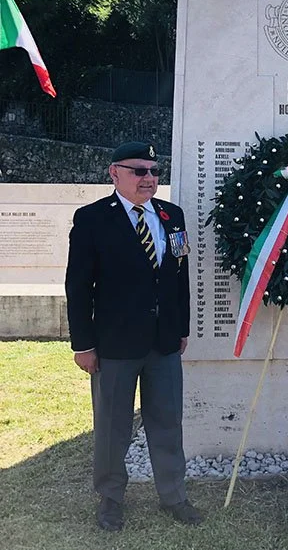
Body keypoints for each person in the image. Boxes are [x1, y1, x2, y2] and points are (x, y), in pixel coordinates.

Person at [65, 141, 202, 530]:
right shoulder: (92, 218)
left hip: (162, 341)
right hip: (114, 344)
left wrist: (182, 328)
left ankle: (173, 496)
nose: (149, 178)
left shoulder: (171, 215)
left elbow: (180, 278)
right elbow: (78, 285)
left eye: (154, 172)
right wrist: (83, 344)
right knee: (112, 425)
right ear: (115, 173)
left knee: (167, 421)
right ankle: (111, 498)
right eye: (139, 171)